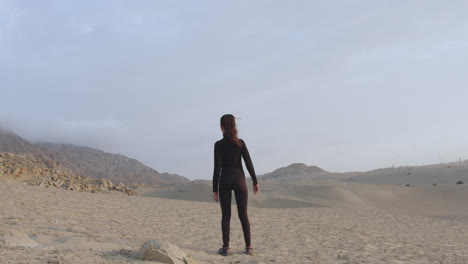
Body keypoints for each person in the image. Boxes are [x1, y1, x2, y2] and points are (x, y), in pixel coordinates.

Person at [212, 114, 259, 256]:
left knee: (226, 215)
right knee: (243, 214)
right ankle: (248, 247)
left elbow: (217, 168)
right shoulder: (241, 143)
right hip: (240, 180)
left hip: (225, 180)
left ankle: (226, 248)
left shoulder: (218, 145)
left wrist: (214, 189)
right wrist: (255, 181)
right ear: (234, 126)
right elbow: (248, 163)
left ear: (221, 127)